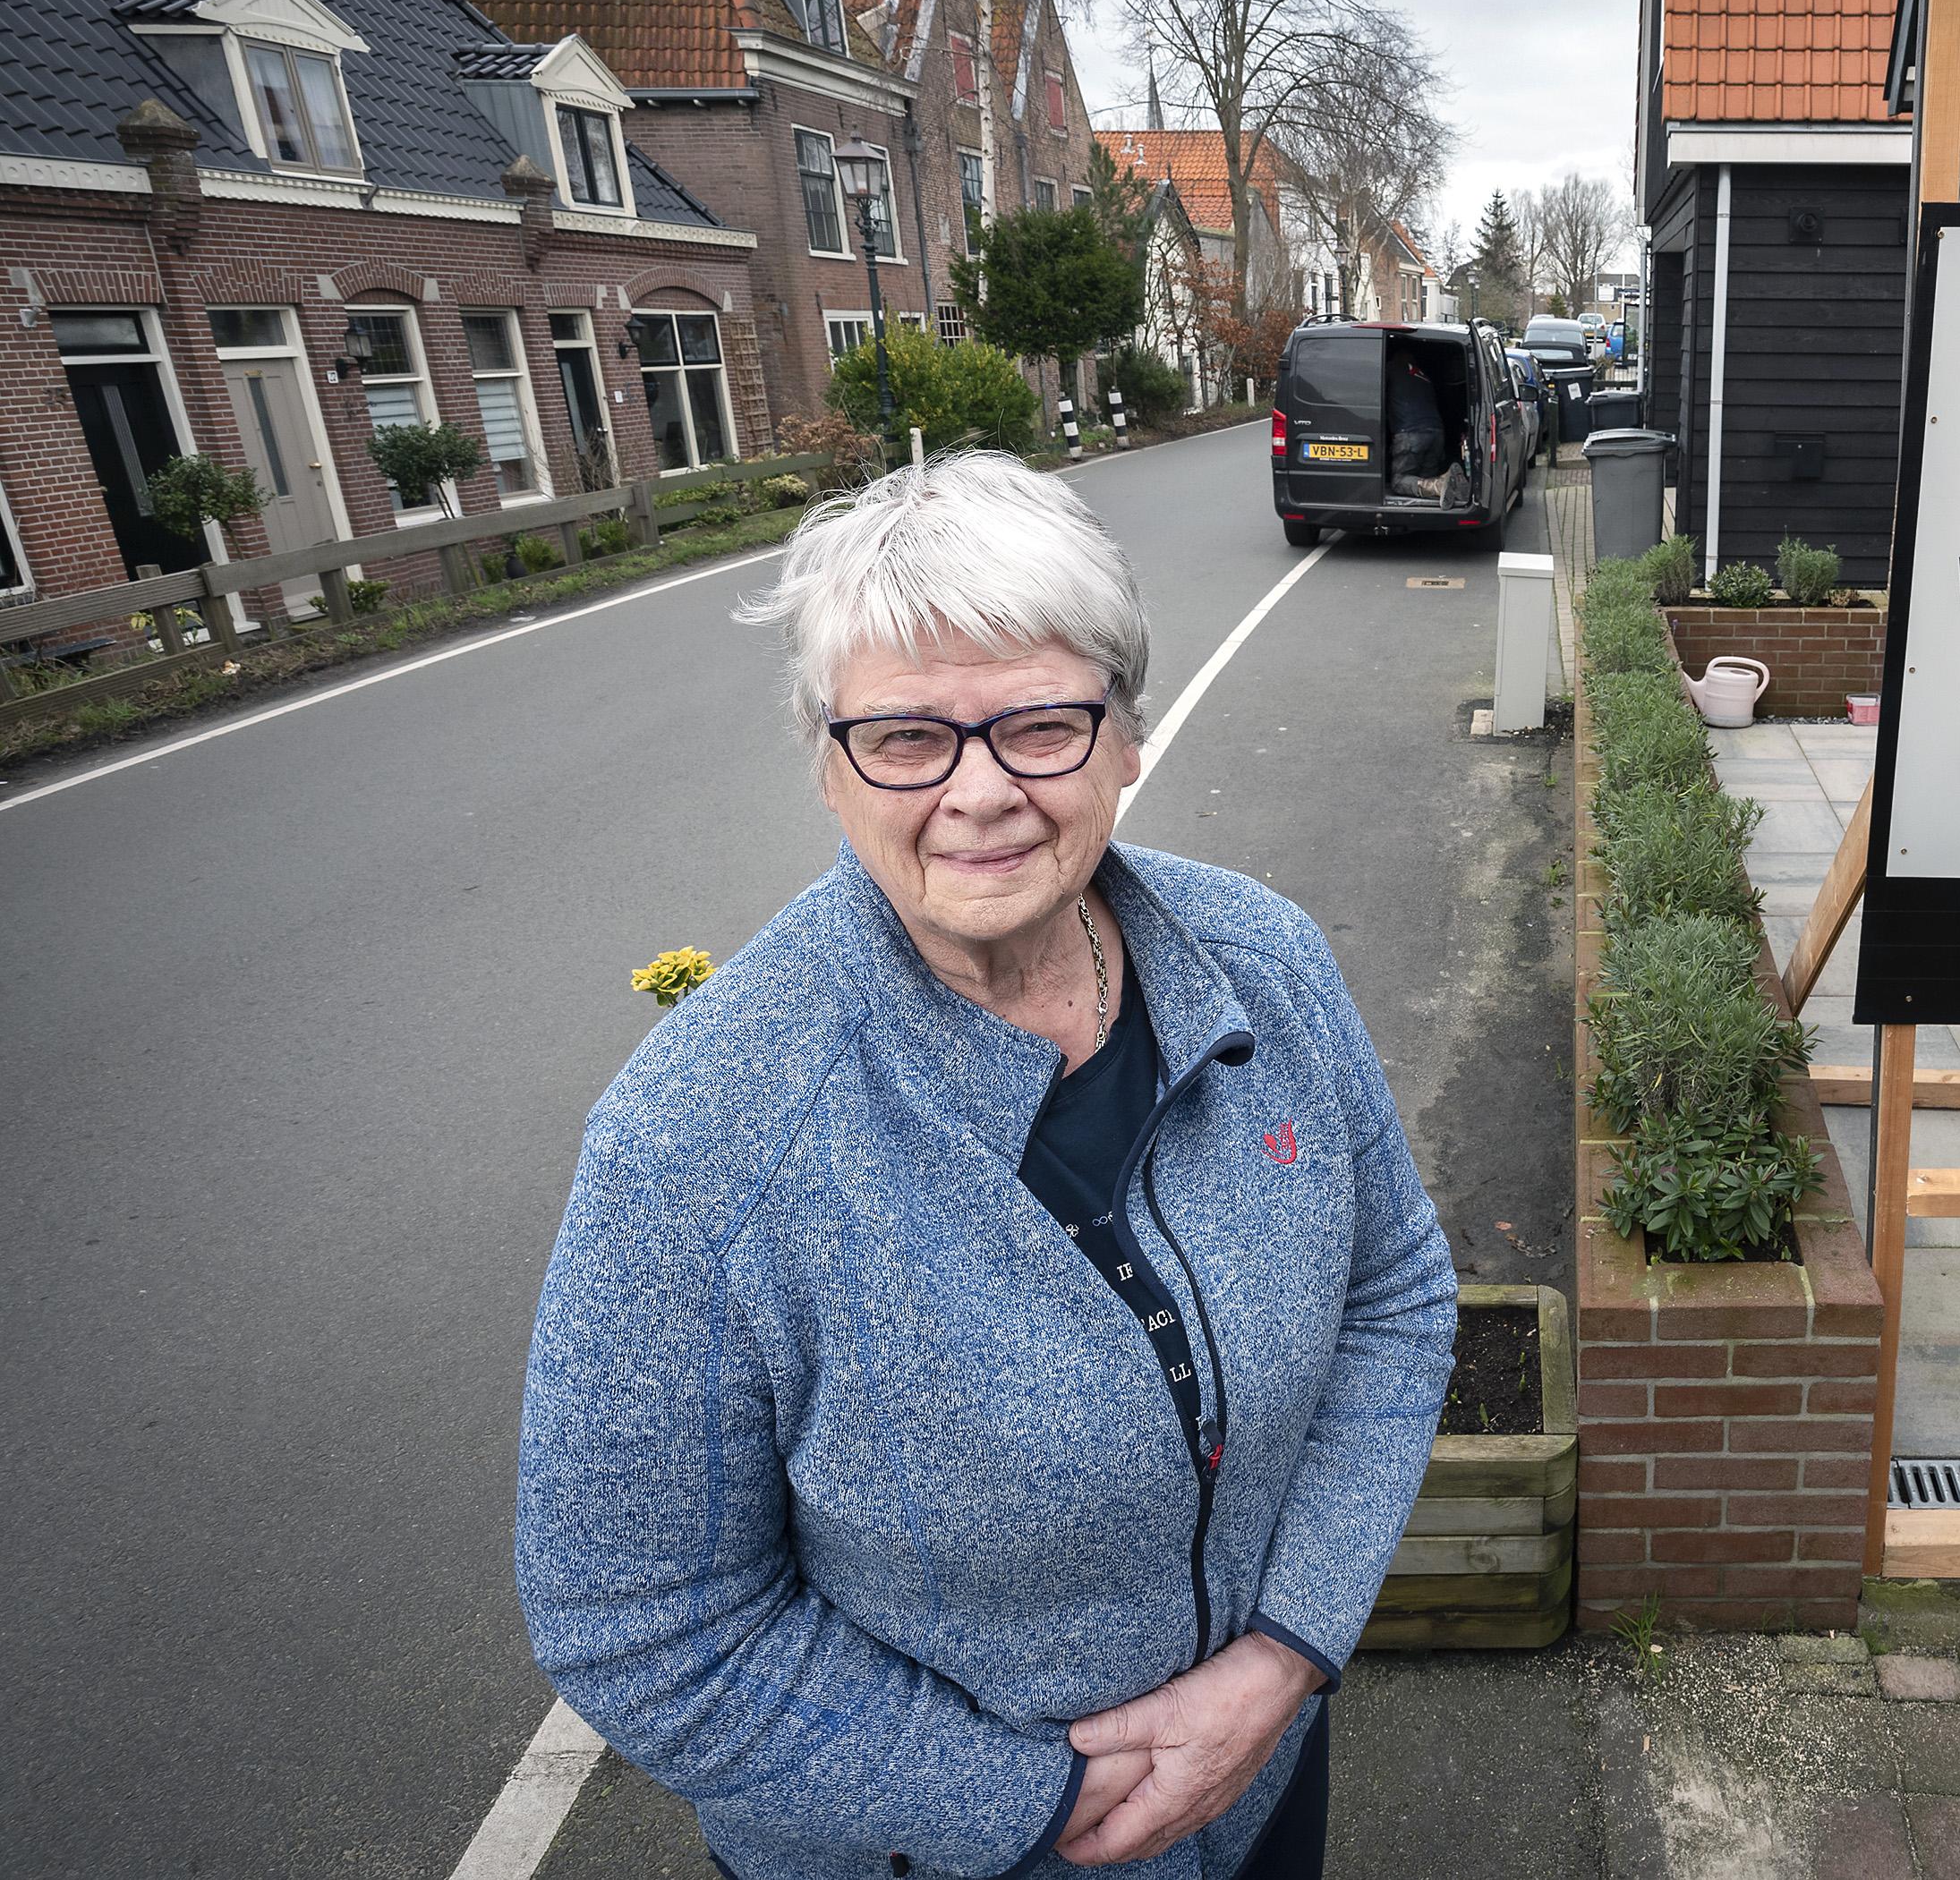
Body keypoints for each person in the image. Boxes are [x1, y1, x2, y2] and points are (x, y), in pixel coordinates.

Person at [515, 453, 1456, 1880]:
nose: (979, 794)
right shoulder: (696, 1144)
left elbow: (1394, 1299)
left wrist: (1282, 1653)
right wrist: (1020, 1803)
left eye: (1039, 724)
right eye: (904, 737)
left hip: (1260, 1791)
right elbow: (640, 1618)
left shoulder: (1263, 962)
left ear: (1125, 738)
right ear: (828, 765)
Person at [1383, 341, 1447, 499]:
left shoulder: (1392, 368)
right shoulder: (1423, 376)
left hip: (1411, 434)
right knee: (1423, 486)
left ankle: (1438, 485)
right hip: (1437, 434)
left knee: (1399, 481)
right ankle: (1441, 484)